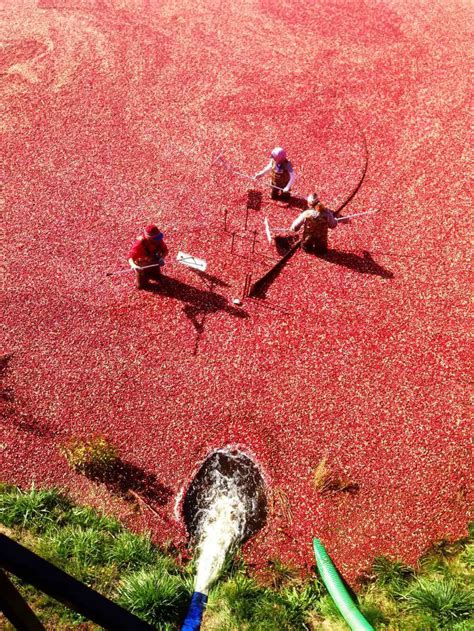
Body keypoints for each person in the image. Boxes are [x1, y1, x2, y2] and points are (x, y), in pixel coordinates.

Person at [128, 224, 169, 289]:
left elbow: (165, 250)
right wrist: (133, 265)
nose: (159, 239)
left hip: (154, 260)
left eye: (158, 237)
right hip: (142, 264)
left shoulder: (158, 239)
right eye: (156, 238)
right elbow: (130, 257)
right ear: (149, 238)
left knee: (156, 276)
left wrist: (162, 258)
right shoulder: (140, 243)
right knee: (140, 286)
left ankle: (154, 275)